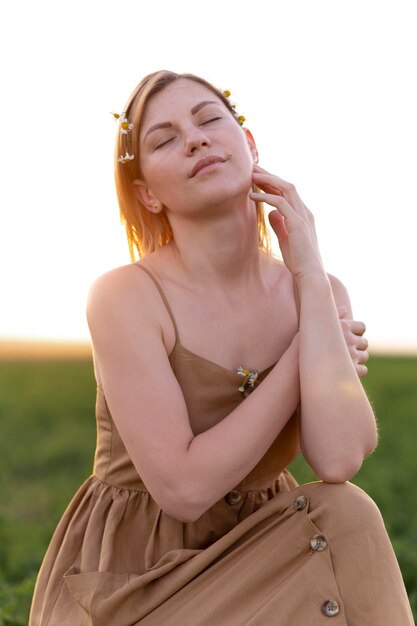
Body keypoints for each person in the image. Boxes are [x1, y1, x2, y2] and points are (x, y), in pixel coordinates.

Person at [29, 70, 413, 625]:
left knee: (345, 512)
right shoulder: (126, 296)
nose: (196, 138)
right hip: (137, 582)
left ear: (248, 144)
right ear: (148, 194)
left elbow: (338, 459)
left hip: (261, 548)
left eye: (210, 119)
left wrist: (309, 273)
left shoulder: (318, 293)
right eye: (164, 139)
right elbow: (184, 490)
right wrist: (305, 352)